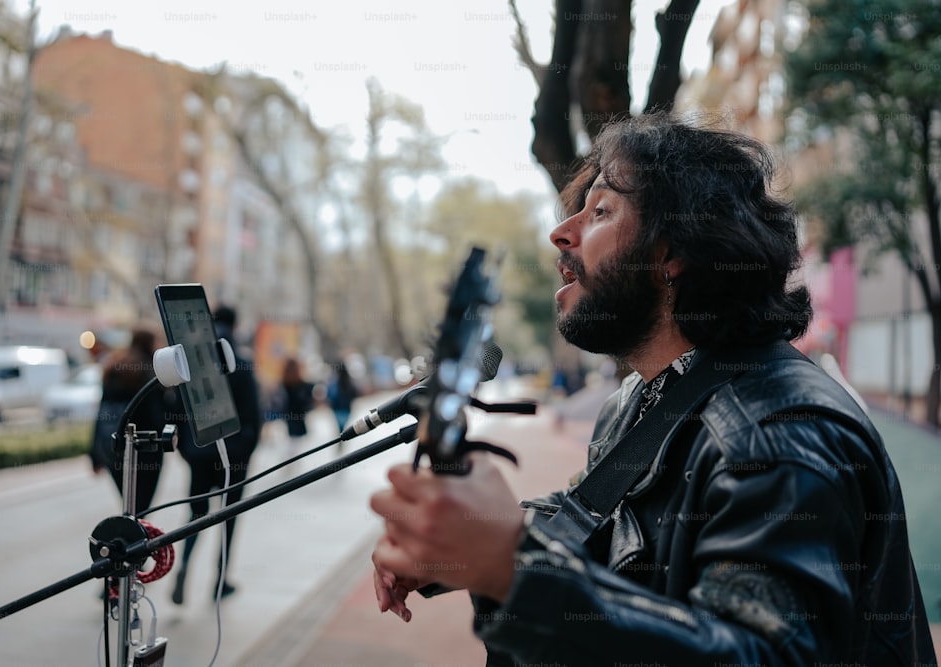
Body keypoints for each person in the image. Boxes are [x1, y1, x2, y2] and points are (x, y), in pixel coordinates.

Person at [369, 114, 937, 665]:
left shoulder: (779, 432)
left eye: (601, 211)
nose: (561, 233)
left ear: (672, 253)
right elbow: (603, 529)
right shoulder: (644, 401)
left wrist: (515, 571)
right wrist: (468, 545)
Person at [171, 305, 262, 604]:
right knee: (228, 518)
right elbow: (254, 416)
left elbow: (180, 409)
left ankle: (183, 566)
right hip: (233, 458)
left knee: (195, 514)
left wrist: (187, 449)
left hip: (199, 454)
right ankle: (220, 581)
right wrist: (245, 452)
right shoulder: (243, 364)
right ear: (235, 326)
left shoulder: (195, 363)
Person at [90, 327, 174, 515]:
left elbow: (102, 414)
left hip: (114, 449)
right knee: (141, 511)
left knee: (129, 506)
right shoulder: (150, 373)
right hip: (146, 452)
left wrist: (94, 455)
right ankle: (135, 542)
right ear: (150, 344)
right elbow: (158, 417)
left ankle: (130, 538)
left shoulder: (114, 367)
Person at [277, 357, 314, 441]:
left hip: (290, 417)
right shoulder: (301, 384)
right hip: (299, 416)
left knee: (293, 441)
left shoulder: (284, 383)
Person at [326, 361, 360, 434]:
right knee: (343, 427)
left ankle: (341, 436)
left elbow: (330, 395)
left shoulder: (334, 382)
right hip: (345, 409)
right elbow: (355, 393)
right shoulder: (349, 381)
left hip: (338, 409)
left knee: (340, 427)